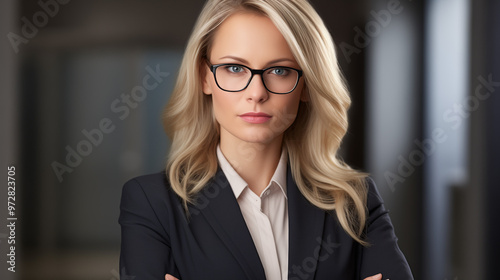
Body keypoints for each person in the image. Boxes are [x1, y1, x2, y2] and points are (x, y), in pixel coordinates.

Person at [119, 0, 414, 279]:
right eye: (234, 68)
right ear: (204, 77)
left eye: (279, 70)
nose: (257, 92)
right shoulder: (152, 203)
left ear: (307, 84)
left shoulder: (353, 201)